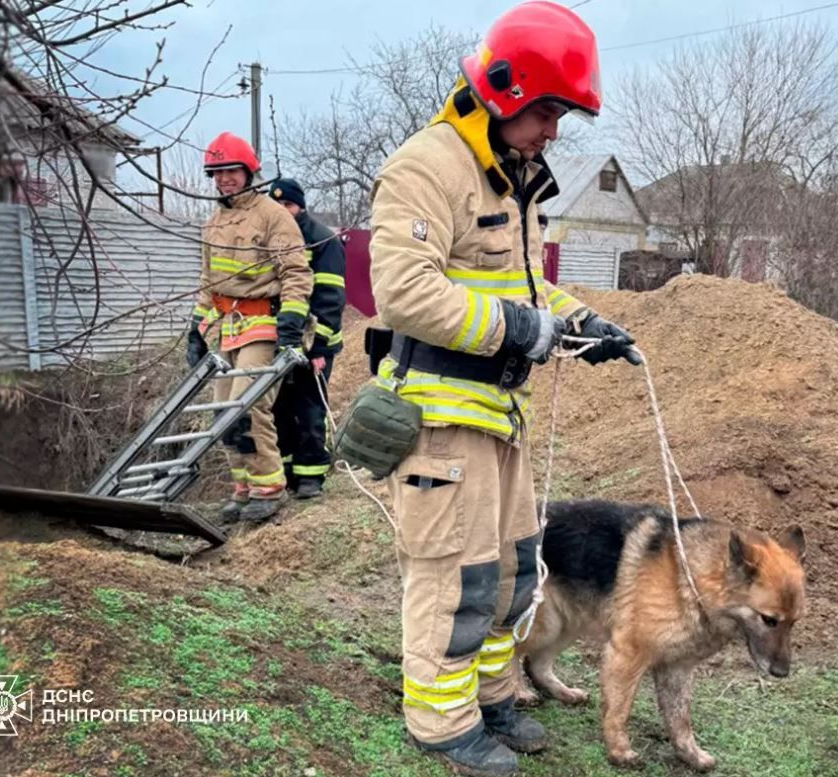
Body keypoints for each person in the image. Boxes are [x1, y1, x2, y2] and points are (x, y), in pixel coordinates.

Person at [365, 3, 639, 774]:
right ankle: (441, 720)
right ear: (504, 89)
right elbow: (407, 294)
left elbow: (520, 288)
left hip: (497, 415)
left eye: (561, 115)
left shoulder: (513, 178)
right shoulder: (428, 166)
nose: (554, 131)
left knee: (514, 571)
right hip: (439, 417)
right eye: (548, 111)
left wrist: (583, 321)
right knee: (453, 573)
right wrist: (524, 333)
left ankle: (492, 696)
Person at [186, 132, 312, 523]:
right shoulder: (214, 221)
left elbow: (295, 271)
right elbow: (208, 280)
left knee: (248, 404)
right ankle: (243, 489)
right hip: (224, 325)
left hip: (263, 322)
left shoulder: (272, 215)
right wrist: (196, 327)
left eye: (230, 171)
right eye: (217, 172)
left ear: (248, 171)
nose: (224, 179)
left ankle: (269, 488)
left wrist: (291, 318)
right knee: (224, 410)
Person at [268, 177, 347, 499]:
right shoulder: (268, 239)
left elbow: (330, 298)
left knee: (310, 408)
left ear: (300, 205)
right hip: (279, 342)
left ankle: (312, 476)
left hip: (314, 344)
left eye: (287, 205)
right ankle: (287, 474)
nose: (282, 212)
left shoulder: (321, 239)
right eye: (276, 207)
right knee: (279, 410)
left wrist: (319, 347)